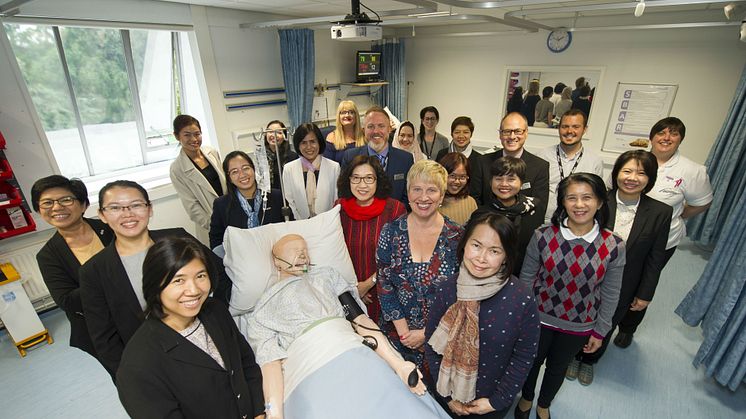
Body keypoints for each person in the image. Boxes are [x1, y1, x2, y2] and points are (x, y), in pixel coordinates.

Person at [244, 234, 450, 419]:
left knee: (403, 404)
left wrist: (398, 364)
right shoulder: (263, 306)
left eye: (305, 250)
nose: (303, 255)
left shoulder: (326, 277)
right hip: (308, 371)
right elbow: (270, 362)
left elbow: (362, 322)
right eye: (294, 250)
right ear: (277, 262)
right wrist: (274, 413)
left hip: (352, 352)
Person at [80, 180, 228, 379]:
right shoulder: (94, 271)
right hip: (158, 362)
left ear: (149, 209)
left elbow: (217, 271)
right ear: (102, 215)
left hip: (207, 340)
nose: (127, 214)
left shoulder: (178, 238)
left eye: (136, 205)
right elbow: (104, 339)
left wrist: (218, 315)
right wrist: (135, 377)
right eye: (115, 208)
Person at [116, 237, 265, 419]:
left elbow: (246, 363)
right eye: (178, 280)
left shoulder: (215, 311)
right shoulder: (139, 365)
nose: (194, 290)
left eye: (200, 276)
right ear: (155, 285)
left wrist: (259, 412)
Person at [515, 173, 625, 419]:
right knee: (531, 363)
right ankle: (527, 397)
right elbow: (526, 279)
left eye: (587, 197)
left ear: (599, 202)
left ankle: (544, 404)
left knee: (557, 368)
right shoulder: (542, 235)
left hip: (579, 324)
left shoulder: (614, 245)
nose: (579, 204)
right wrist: (521, 316)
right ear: (562, 202)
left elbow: (611, 292)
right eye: (571, 198)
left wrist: (601, 331)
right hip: (538, 318)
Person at [567, 151, 672, 385]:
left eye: (641, 173)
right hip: (586, 276)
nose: (632, 177)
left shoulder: (660, 212)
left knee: (608, 321)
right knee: (579, 317)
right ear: (616, 173)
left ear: (650, 178)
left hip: (626, 281)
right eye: (627, 170)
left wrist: (645, 294)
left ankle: (590, 360)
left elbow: (655, 258)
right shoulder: (596, 200)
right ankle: (574, 355)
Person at [425, 212, 540, 419]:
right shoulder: (447, 288)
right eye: (476, 246)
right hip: (445, 392)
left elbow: (524, 356)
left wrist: (497, 401)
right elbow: (432, 344)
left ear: (506, 256)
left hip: (490, 403)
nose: (481, 258)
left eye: (494, 251)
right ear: (464, 245)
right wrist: (448, 397)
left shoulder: (522, 298)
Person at [616, 117, 713, 347]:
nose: (666, 138)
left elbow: (703, 202)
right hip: (623, 237)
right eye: (661, 132)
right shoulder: (634, 162)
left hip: (660, 241)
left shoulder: (692, 170)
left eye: (674, 134)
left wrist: (677, 216)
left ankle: (628, 328)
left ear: (680, 139)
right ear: (651, 137)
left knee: (642, 284)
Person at [377, 160, 463, 368]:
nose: (423, 197)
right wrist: (405, 334)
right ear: (408, 192)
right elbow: (384, 285)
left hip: (442, 338)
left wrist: (426, 334)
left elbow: (463, 293)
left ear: (442, 196)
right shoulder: (390, 232)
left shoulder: (458, 237)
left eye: (431, 190)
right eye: (417, 189)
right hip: (397, 335)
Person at [33, 175, 114, 359]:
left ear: (84, 204)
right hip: (101, 329)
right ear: (39, 210)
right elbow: (67, 301)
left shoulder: (111, 228)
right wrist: (110, 276)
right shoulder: (48, 256)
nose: (56, 207)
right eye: (47, 203)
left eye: (66, 200)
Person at [337, 155, 406, 323]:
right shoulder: (339, 208)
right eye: (356, 178)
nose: (362, 185)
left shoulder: (395, 209)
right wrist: (353, 288)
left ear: (378, 181)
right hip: (348, 291)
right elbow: (333, 252)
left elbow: (399, 257)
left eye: (369, 178)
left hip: (387, 291)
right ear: (348, 180)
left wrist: (368, 284)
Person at [471, 112, 549, 225]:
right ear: (500, 134)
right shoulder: (482, 162)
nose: (512, 136)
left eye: (518, 131)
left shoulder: (540, 166)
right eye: (507, 131)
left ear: (526, 133)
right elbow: (475, 201)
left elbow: (539, 209)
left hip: (522, 232)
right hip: (487, 227)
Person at [537, 109, 604, 224]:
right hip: (545, 221)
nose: (569, 131)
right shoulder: (543, 156)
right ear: (558, 128)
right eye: (565, 126)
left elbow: (596, 196)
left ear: (584, 129)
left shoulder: (594, 161)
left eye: (576, 127)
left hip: (577, 223)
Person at [209, 151, 285, 250]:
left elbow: (288, 228)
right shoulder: (221, 205)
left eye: (245, 168)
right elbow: (216, 242)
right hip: (240, 261)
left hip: (278, 255)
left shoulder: (276, 196)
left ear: (253, 169)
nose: (242, 175)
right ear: (229, 178)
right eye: (234, 172)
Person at [477, 157, 540, 275]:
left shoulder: (533, 210)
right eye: (498, 179)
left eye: (511, 179)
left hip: (524, 274)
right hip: (488, 275)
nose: (504, 184)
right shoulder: (481, 214)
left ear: (521, 182)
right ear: (490, 182)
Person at [169, 114, 226, 244]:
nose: (194, 139)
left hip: (232, 213)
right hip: (211, 224)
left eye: (197, 134)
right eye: (187, 134)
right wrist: (216, 225)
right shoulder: (177, 169)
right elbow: (192, 207)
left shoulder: (211, 152)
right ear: (177, 136)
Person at [342, 106, 414, 204]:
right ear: (363, 130)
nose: (376, 131)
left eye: (381, 126)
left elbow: (409, 196)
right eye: (370, 126)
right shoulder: (350, 157)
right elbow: (345, 194)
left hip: (396, 217)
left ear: (389, 129)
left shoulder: (406, 159)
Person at [283, 123, 340, 220]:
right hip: (300, 224)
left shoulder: (334, 167)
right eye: (303, 143)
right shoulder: (289, 169)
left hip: (327, 223)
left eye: (312, 141)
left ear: (319, 142)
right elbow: (290, 201)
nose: (309, 147)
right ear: (298, 145)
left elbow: (336, 200)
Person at [438, 152, 478, 226]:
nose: (457, 181)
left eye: (462, 177)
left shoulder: (470, 202)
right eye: (452, 176)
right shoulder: (433, 202)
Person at [264, 120, 298, 191]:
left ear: (284, 136)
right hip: (267, 197)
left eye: (278, 132)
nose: (273, 135)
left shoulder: (292, 157)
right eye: (270, 132)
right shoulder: (262, 157)